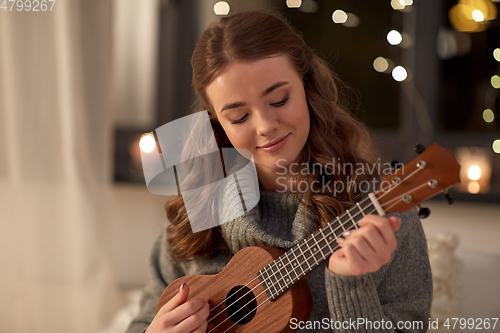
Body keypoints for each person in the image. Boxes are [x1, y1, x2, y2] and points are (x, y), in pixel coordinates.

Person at [126, 10, 432, 333]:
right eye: (240, 117)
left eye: (279, 99)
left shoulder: (382, 211)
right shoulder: (198, 210)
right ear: (218, 124)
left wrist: (352, 288)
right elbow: (143, 320)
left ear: (307, 88)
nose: (265, 126)